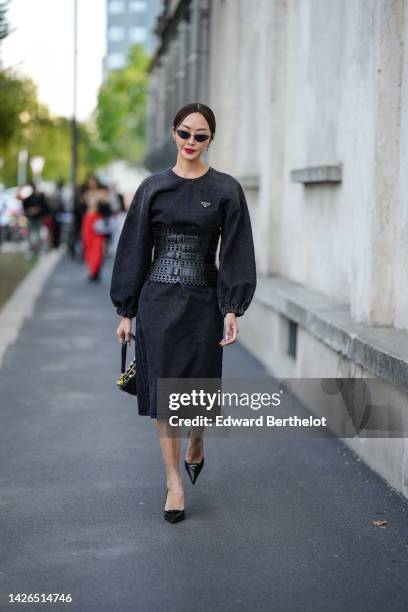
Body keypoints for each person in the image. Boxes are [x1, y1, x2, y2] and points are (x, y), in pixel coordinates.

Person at [110, 102, 257, 523]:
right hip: (159, 303)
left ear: (211, 139)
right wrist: (126, 311)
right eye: (185, 133)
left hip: (205, 303)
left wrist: (233, 308)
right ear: (174, 133)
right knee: (166, 395)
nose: (191, 142)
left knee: (197, 389)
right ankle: (174, 482)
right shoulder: (152, 188)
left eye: (201, 136)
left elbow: (236, 252)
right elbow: (134, 249)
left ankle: (197, 441)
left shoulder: (226, 189)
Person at [22, 182, 49, 259]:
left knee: (39, 235)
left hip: (38, 219)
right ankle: (31, 251)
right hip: (30, 219)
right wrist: (30, 211)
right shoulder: (27, 199)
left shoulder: (39, 199)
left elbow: (44, 208)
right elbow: (25, 209)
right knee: (30, 236)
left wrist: (37, 210)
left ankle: (39, 251)